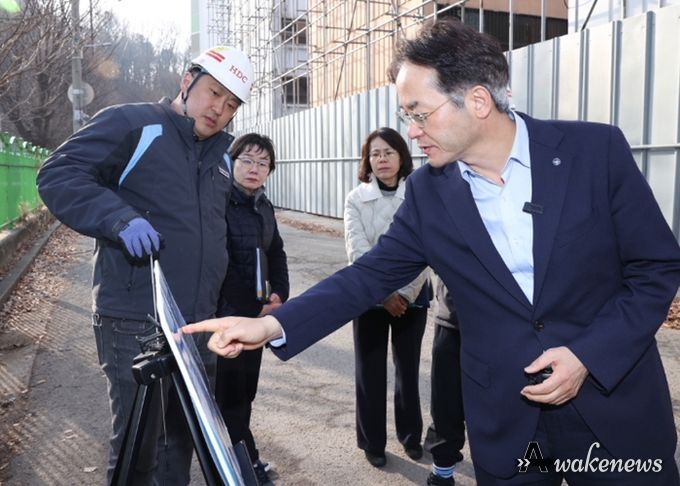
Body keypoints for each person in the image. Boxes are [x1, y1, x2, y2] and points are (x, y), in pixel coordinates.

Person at [184, 19, 680, 485]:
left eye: (420, 115)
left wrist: (589, 355)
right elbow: (367, 276)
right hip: (509, 422)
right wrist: (271, 326)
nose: (412, 131)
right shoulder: (428, 192)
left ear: (478, 101)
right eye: (407, 117)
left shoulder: (594, 152)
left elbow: (655, 267)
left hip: (615, 410)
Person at [37, 46, 253, 485]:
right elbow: (58, 174)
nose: (219, 109)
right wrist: (119, 218)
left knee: (183, 440)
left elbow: (217, 237)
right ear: (187, 81)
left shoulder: (222, 158)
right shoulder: (133, 124)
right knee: (139, 446)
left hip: (198, 323)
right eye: (214, 93)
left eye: (232, 104)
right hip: (136, 320)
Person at [344, 127, 430, 468]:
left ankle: (410, 436)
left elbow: (425, 249)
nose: (381, 159)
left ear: (401, 156)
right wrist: (384, 294)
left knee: (408, 370)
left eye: (388, 152)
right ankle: (372, 442)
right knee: (370, 371)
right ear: (367, 160)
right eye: (375, 154)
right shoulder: (355, 199)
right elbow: (357, 251)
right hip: (368, 296)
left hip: (412, 297)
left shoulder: (418, 195)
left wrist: (403, 294)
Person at [214, 133, 289, 486]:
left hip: (255, 316)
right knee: (230, 397)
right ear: (231, 162)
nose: (254, 169)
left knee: (246, 393)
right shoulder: (219, 202)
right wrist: (252, 308)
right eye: (246, 160)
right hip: (227, 317)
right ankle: (244, 467)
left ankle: (239, 461)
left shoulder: (263, 205)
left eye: (263, 163)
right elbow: (219, 263)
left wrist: (280, 295)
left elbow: (276, 251)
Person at [423, 275, 465, 486]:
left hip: (499, 324)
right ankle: (442, 473)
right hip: (451, 320)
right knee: (445, 406)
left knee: (497, 409)